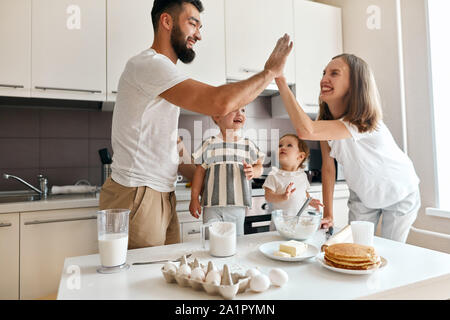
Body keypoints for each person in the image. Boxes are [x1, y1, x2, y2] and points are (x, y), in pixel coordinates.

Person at [99, 0, 293, 249]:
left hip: (159, 193)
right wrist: (269, 73)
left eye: (200, 26)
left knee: (161, 278)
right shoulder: (149, 64)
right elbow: (219, 102)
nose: (199, 35)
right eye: (193, 23)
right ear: (166, 21)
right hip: (139, 193)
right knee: (141, 281)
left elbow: (172, 145)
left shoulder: (164, 77)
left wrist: (208, 179)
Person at [275, 54, 420, 243]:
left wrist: (280, 80)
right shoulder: (325, 124)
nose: (324, 79)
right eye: (324, 73)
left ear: (355, 85)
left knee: (390, 250)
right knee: (356, 250)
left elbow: (305, 130)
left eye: (334, 73)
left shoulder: (363, 122)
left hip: (398, 192)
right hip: (362, 195)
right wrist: (328, 213)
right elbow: (328, 168)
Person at [189, 106, 265, 236]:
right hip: (212, 206)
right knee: (211, 242)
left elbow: (260, 166)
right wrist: (194, 197)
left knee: (235, 243)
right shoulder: (209, 144)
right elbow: (199, 172)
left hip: (238, 206)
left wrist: (254, 171)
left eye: (243, 110)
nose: (239, 113)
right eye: (234, 109)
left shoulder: (248, 145)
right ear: (217, 117)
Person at [263, 134, 323, 219]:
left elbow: (304, 194)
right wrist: (283, 197)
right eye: (280, 145)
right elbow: (268, 196)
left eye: (289, 145)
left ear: (301, 156)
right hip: (281, 224)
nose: (282, 147)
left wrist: (310, 201)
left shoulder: (302, 175)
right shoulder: (274, 175)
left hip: (301, 222)